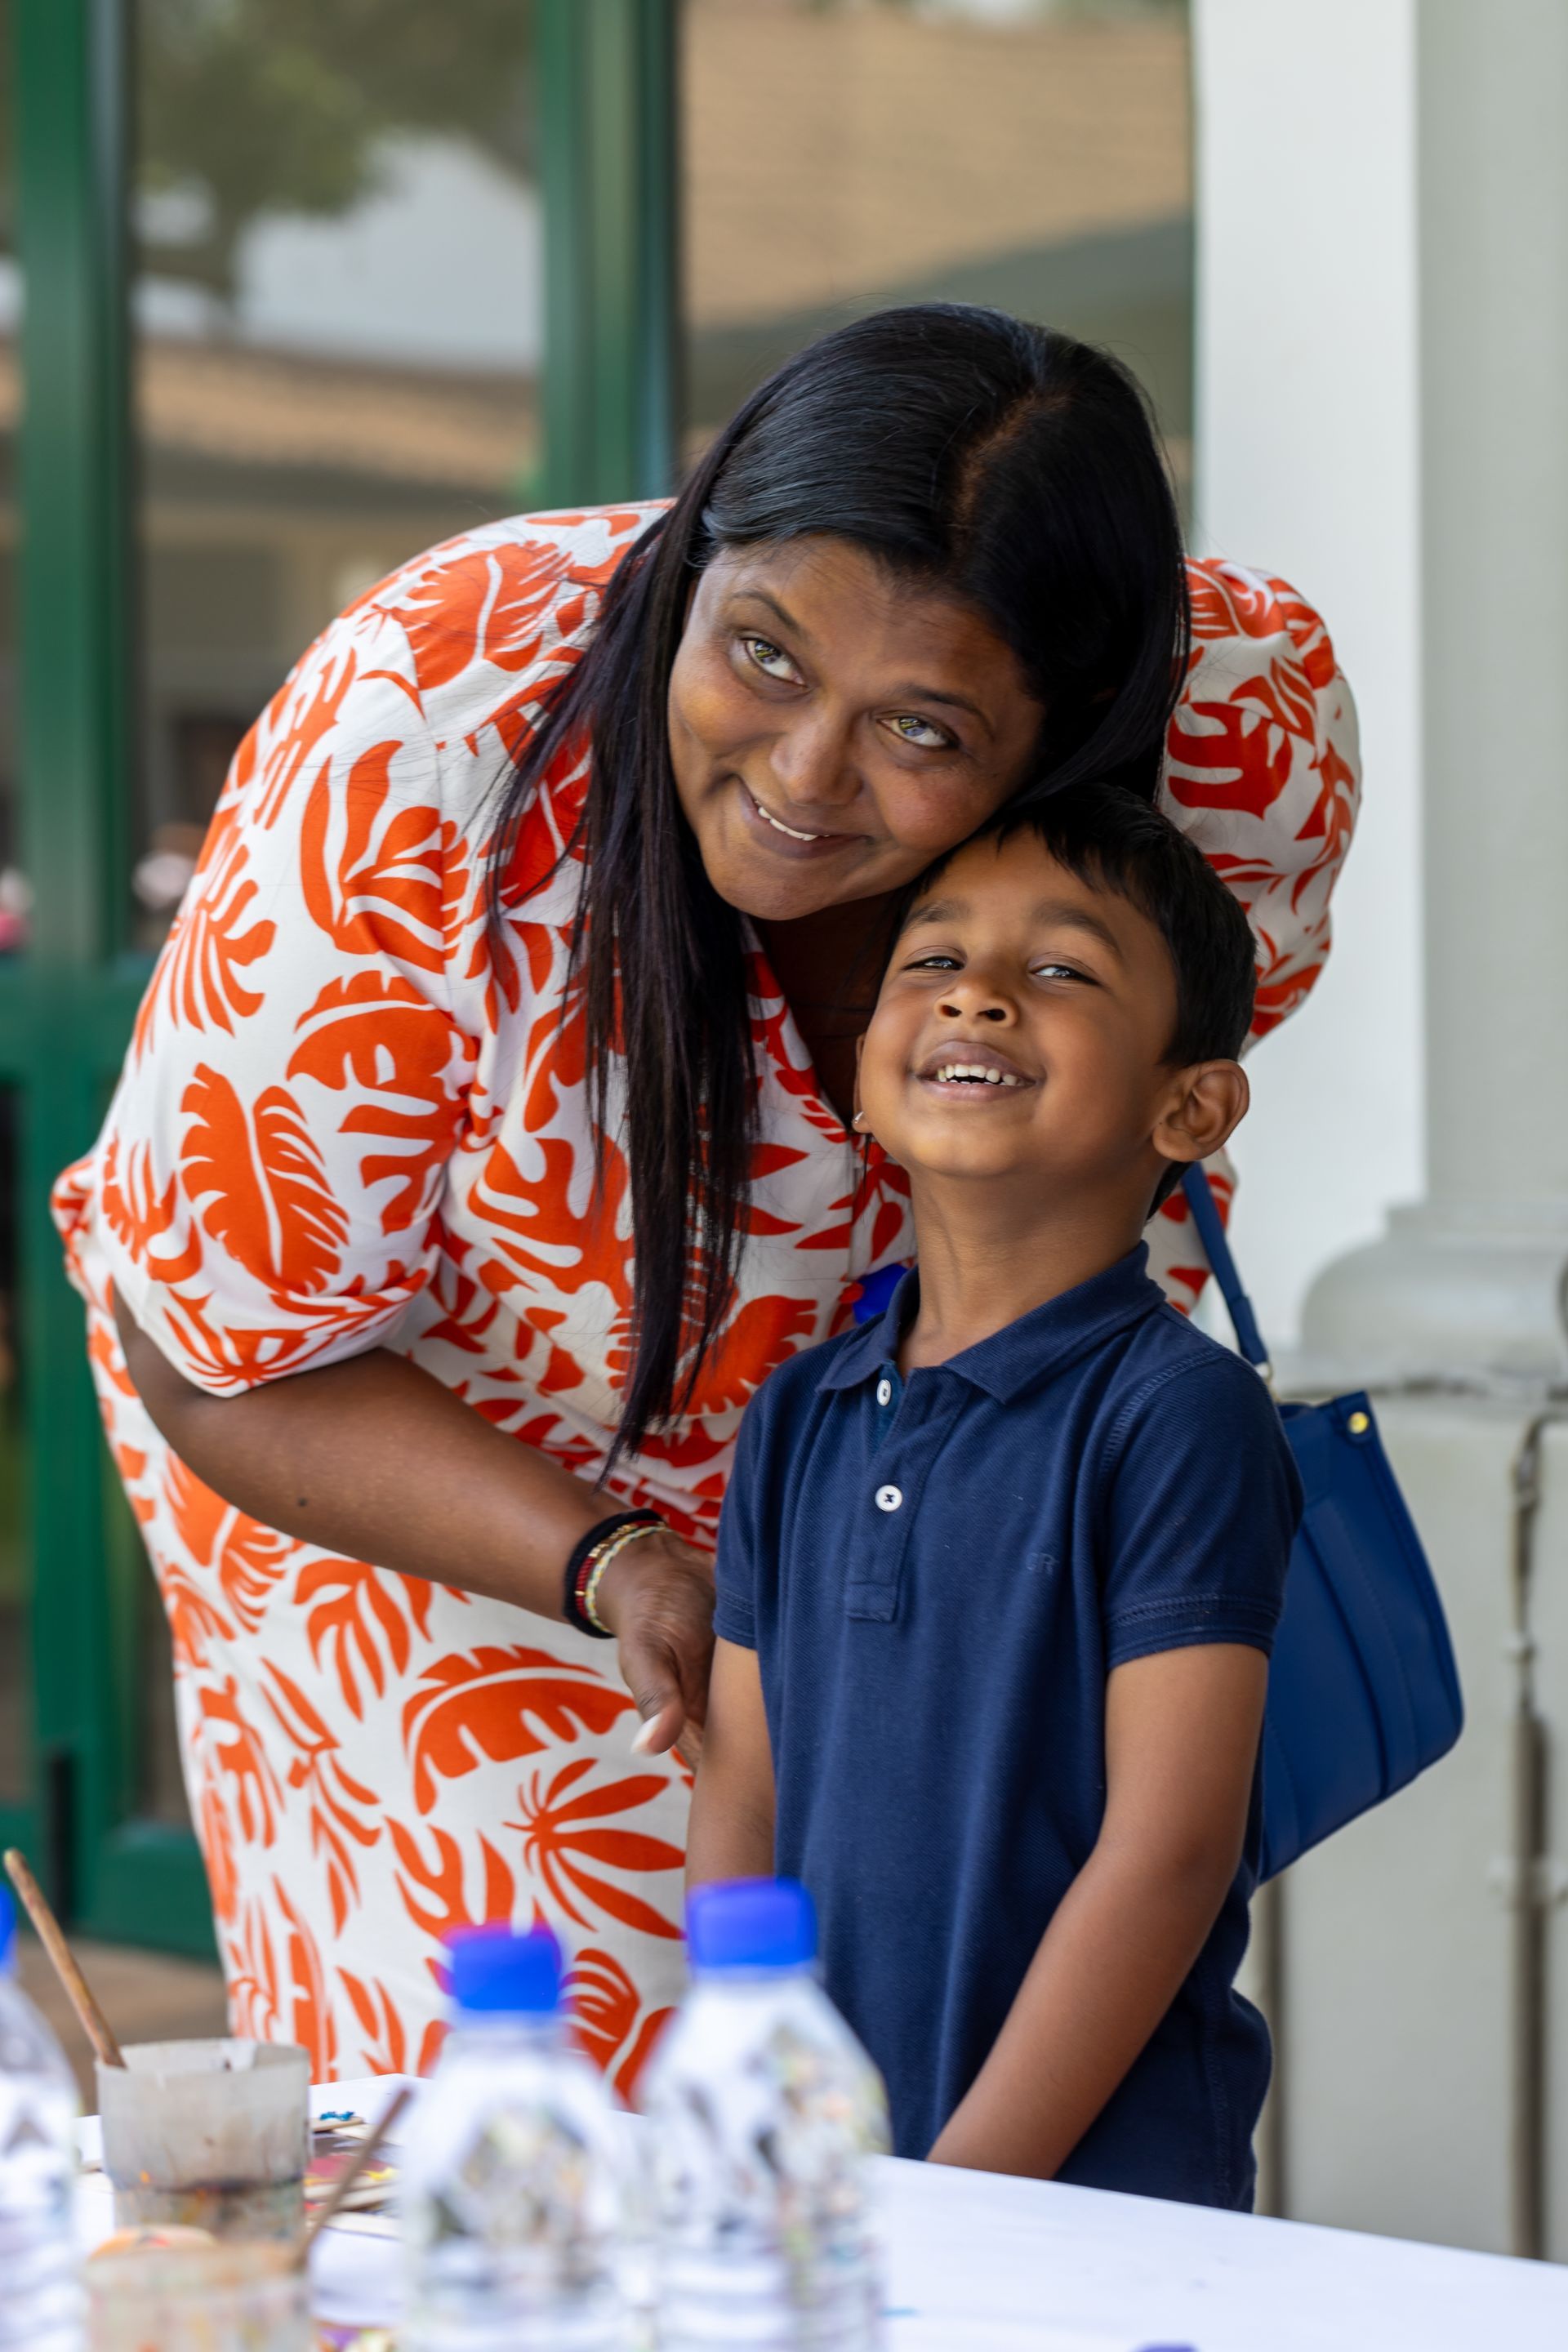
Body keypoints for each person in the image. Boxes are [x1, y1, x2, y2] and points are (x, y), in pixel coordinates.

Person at [54, 305, 1356, 2087]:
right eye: (760, 652)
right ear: (700, 550)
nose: (804, 776)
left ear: (1066, 736)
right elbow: (219, 1344)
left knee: (923, 2015)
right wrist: (617, 1564)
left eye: (922, 727)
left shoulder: (1231, 748)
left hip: (914, 1472)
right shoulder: (432, 722)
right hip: (401, 1449)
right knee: (522, 2063)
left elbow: (1131, 1124)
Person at [688, 788, 1302, 2209]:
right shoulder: (798, 1415)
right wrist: (740, 2093)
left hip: (1089, 2202)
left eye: (1062, 970)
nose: (979, 997)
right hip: (833, 2186)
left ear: (1189, 1103)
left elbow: (1168, 1853)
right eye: (934, 961)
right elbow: (744, 1790)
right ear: (860, 1074)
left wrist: (969, 2202)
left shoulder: (1174, 1418)